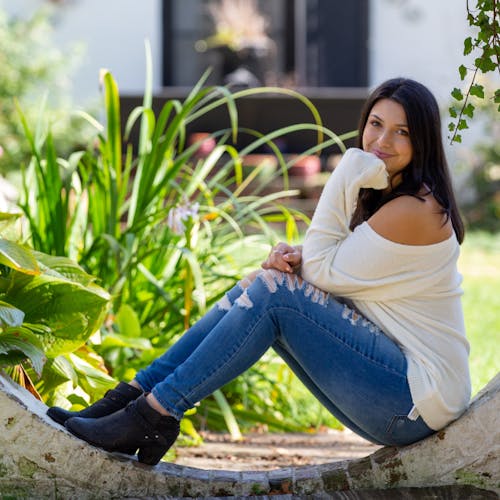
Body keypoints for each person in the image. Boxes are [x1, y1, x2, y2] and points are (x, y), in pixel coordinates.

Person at [47, 78, 471, 466]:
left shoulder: (415, 208)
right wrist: (295, 258)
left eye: (403, 132)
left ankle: (154, 413)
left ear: (424, 142)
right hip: (404, 390)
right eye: (376, 124)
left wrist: (345, 172)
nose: (382, 141)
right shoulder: (400, 199)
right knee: (259, 284)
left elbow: (324, 270)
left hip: (414, 399)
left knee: (274, 292)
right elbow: (346, 264)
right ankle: (132, 400)